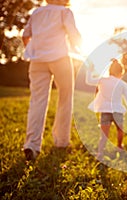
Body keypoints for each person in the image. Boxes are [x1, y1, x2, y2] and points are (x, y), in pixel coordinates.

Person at [22, 0, 82, 161]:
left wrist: (35, 50)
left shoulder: (37, 12)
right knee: (65, 97)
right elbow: (74, 35)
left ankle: (32, 145)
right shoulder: (64, 12)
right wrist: (81, 50)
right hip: (60, 58)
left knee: (37, 101)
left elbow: (26, 36)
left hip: (37, 60)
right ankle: (61, 141)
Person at [86, 59, 127, 160]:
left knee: (104, 135)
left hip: (105, 110)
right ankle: (120, 146)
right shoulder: (123, 84)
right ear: (121, 72)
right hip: (117, 111)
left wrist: (90, 69)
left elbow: (89, 81)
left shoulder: (103, 80)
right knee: (120, 130)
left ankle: (100, 153)